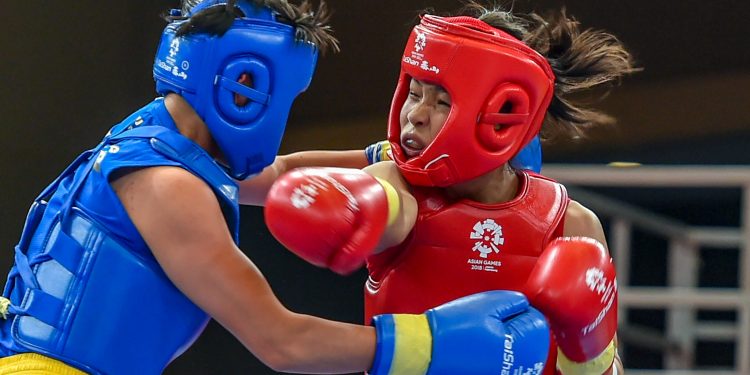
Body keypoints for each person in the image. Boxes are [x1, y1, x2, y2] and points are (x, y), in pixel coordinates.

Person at [0, 1, 552, 374]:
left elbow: (284, 174)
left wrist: (399, 159)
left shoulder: (160, 138)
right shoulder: (170, 187)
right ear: (245, 84)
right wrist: (434, 344)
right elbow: (283, 342)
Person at [263, 2, 639, 374]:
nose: (415, 114)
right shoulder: (397, 185)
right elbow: (384, 205)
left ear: (500, 119)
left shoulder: (570, 224)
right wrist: (352, 203)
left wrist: (588, 351)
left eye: (442, 101)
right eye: (414, 92)